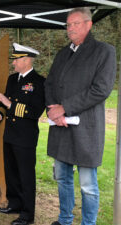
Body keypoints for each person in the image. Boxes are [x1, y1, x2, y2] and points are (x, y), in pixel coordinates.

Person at [45, 7, 116, 225]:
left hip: (86, 129)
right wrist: (52, 110)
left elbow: (101, 89)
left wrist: (65, 108)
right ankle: (65, 219)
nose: (71, 28)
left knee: (88, 185)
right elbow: (49, 83)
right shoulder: (63, 53)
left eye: (76, 23)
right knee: (63, 179)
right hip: (61, 126)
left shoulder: (104, 51)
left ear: (89, 24)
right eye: (68, 24)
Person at [0, 43, 45, 225]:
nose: (13, 63)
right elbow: (5, 102)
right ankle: (15, 204)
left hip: (25, 137)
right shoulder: (12, 79)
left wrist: (9, 104)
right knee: (11, 173)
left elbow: (34, 111)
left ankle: (27, 214)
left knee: (26, 177)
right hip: (10, 135)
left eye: (16, 60)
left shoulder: (40, 82)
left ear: (26, 60)